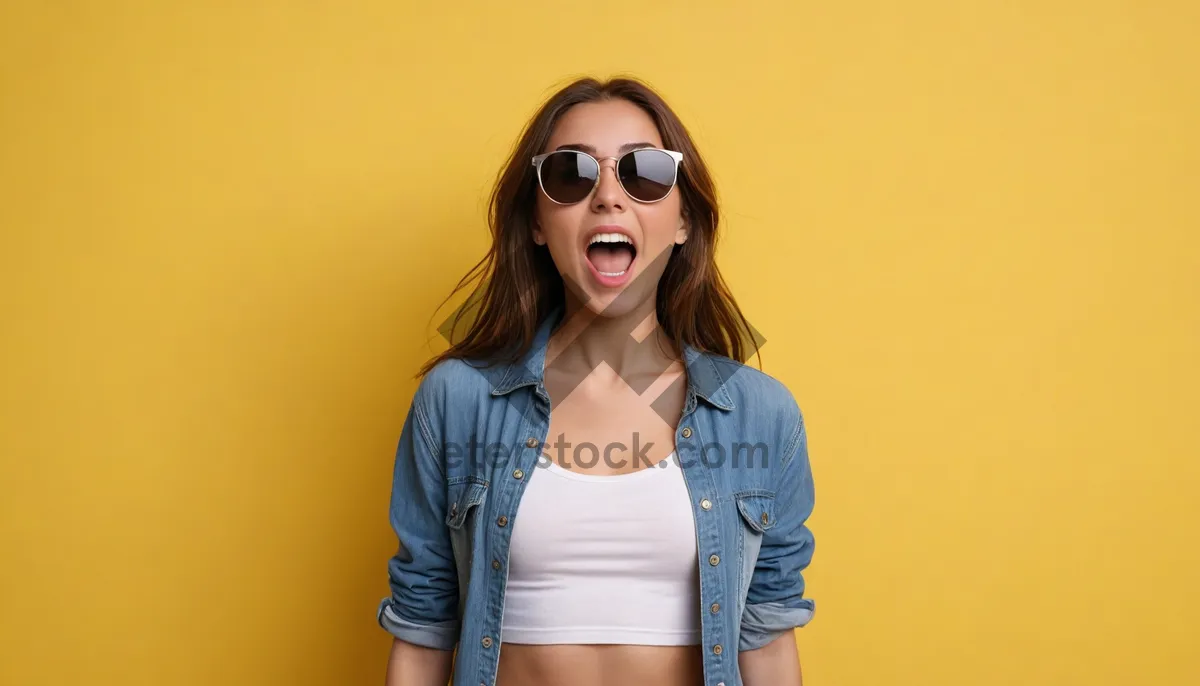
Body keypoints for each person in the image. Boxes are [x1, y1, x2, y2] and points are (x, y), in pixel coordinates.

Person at [377, 76, 817, 686]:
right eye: (570, 175)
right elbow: (423, 628)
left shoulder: (759, 414)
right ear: (536, 223)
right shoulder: (457, 401)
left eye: (644, 173)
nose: (609, 196)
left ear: (684, 219)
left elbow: (766, 641)